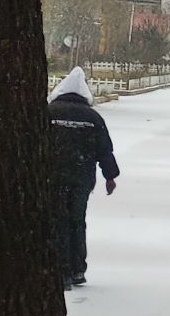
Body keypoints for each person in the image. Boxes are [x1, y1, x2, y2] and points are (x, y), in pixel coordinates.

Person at [47, 68, 120, 288]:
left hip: (53, 176)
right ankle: (78, 268)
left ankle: (61, 269)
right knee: (77, 220)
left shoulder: (48, 113)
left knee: (57, 220)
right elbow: (104, 150)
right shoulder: (93, 118)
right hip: (82, 177)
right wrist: (110, 176)